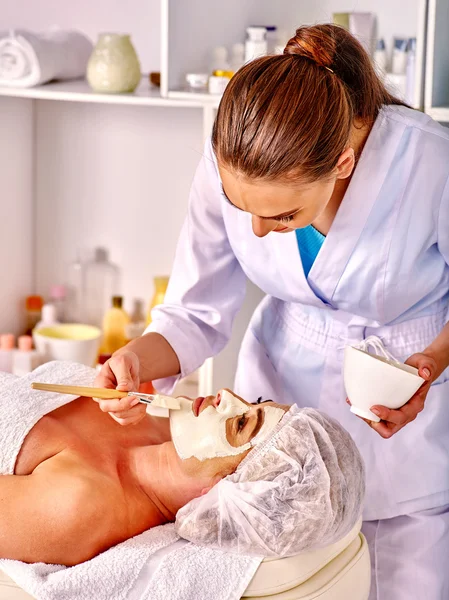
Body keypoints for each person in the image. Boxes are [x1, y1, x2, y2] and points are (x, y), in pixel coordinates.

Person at [95, 24, 449, 599]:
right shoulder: (233, 157)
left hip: (403, 430)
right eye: (243, 208)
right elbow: (194, 311)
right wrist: (135, 358)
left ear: (341, 162)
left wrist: (431, 364)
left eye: (282, 217)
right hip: (277, 419)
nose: (258, 231)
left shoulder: (430, 164)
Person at [0, 363, 364, 569]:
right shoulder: (147, 410)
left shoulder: (79, 508)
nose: (227, 397)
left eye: (240, 423)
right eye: (253, 402)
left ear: (228, 492)